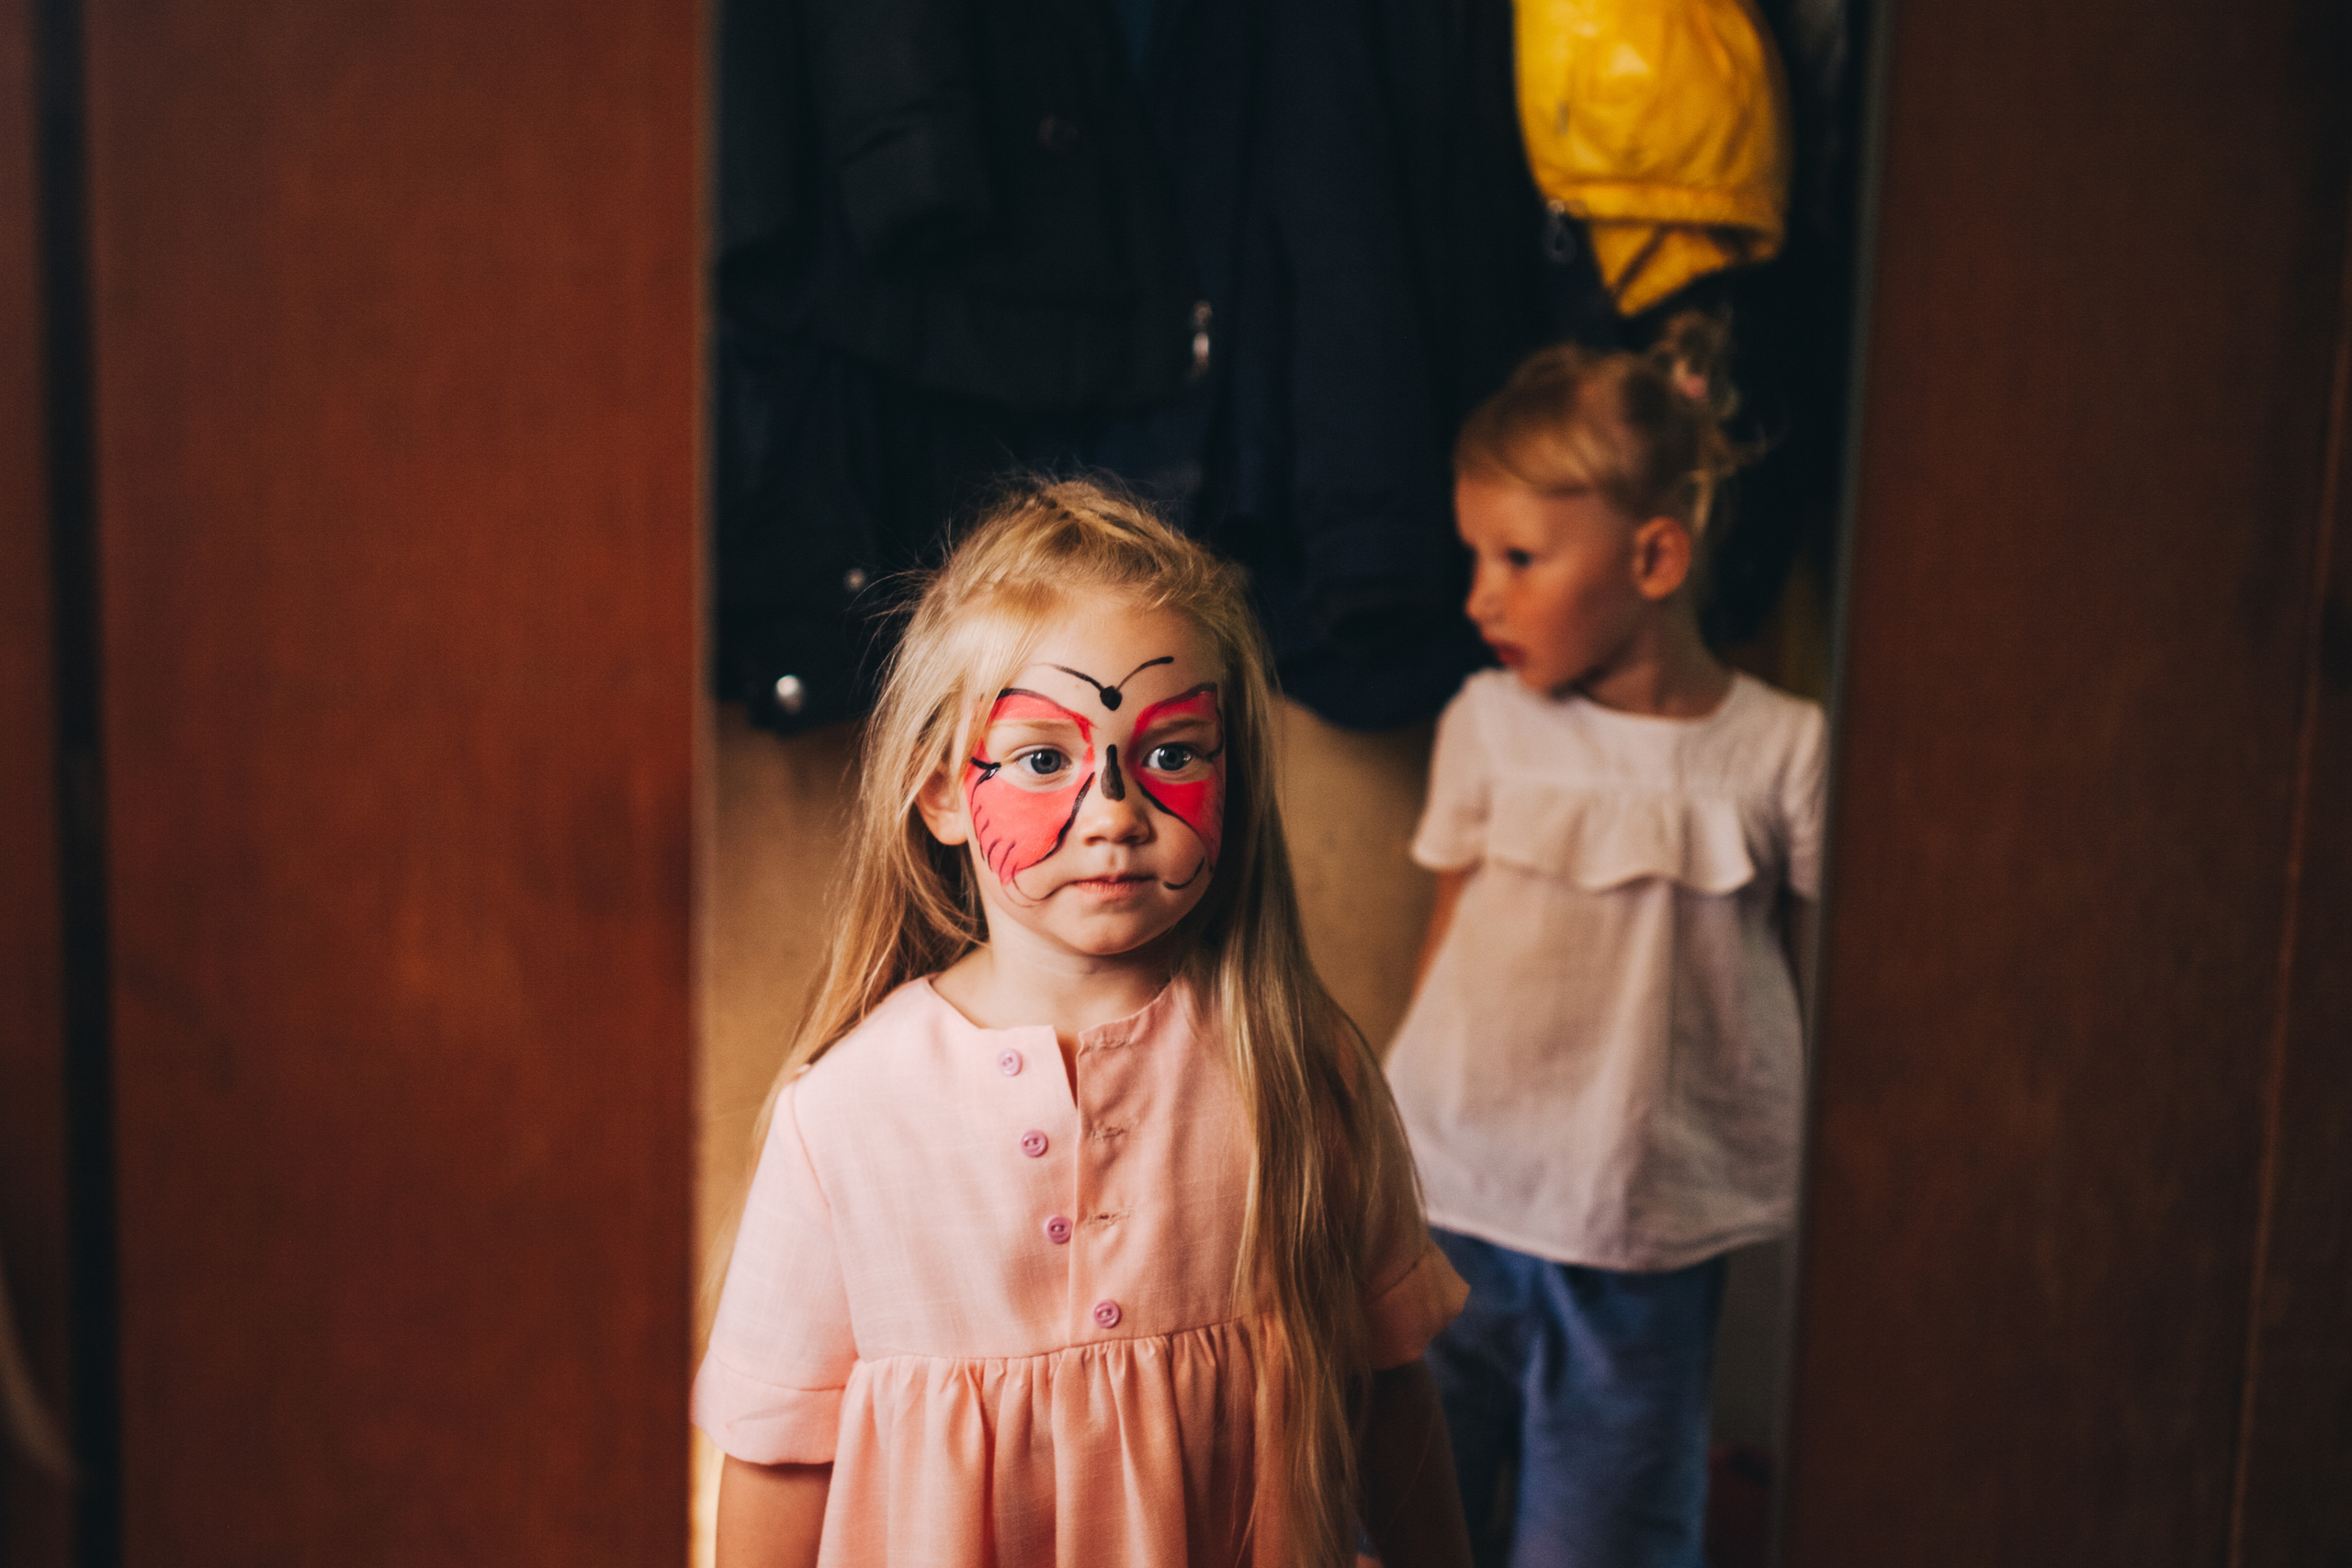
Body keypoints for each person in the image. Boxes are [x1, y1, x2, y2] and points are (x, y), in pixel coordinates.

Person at [695, 479, 1476, 1568]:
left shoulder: (1304, 1070)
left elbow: (1390, 1394)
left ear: (1232, 778)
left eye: (1171, 754)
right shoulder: (844, 1115)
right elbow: (777, 1461)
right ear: (941, 797)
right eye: (1042, 759)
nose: (1113, 811)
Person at [1385, 316, 1826, 1568]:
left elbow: (1808, 981)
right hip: (1453, 1208)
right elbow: (1448, 937)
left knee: (1606, 1534)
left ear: (1655, 553)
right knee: (1413, 1509)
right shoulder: (1487, 722)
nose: (1480, 595)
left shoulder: (1783, 749)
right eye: (1476, 554)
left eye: (1518, 556)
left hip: (1640, 1239)